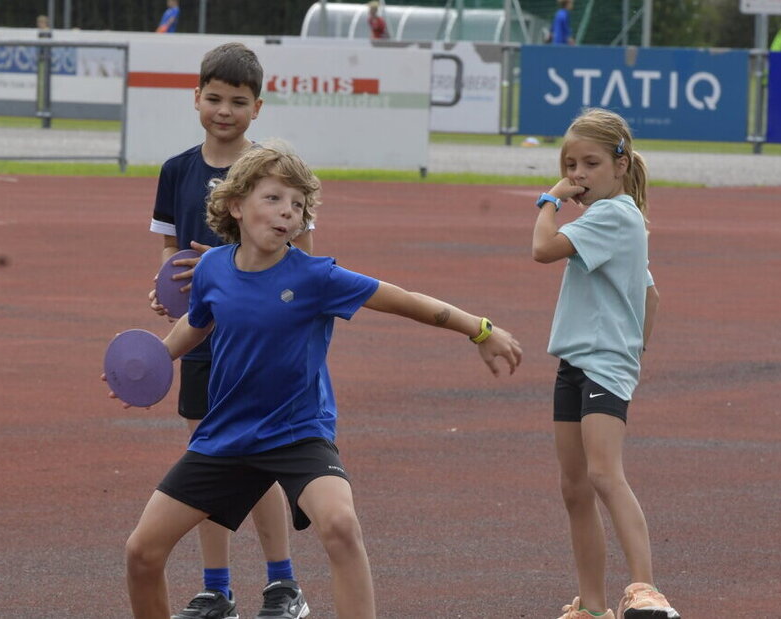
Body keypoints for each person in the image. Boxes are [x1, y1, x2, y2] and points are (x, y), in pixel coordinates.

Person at [120, 142, 523, 619]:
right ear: (236, 205)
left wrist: (481, 329)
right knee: (141, 552)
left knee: (341, 526)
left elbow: (406, 300)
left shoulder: (316, 277)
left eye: (297, 204)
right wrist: (154, 361)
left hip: (297, 432)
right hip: (227, 433)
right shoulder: (212, 268)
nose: (287, 212)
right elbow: (198, 322)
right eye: (274, 198)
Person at [148, 42, 314, 619]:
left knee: (259, 462)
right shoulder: (177, 170)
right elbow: (171, 253)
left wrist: (237, 270)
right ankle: (216, 589)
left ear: (257, 107)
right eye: (214, 98)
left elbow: (305, 255)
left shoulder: (273, 172)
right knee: (208, 460)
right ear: (196, 97)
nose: (224, 111)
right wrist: (169, 289)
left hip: (260, 345)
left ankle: (283, 584)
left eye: (238, 102)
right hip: (202, 343)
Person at [531, 108, 679, 619]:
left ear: (621, 165)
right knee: (574, 488)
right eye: (570, 165)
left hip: (601, 365)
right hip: (577, 362)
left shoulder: (612, 215)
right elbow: (650, 295)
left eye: (590, 164)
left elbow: (542, 248)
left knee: (603, 474)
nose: (578, 175)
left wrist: (551, 199)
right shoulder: (616, 219)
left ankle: (646, 589)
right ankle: (592, 606)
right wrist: (635, 351)